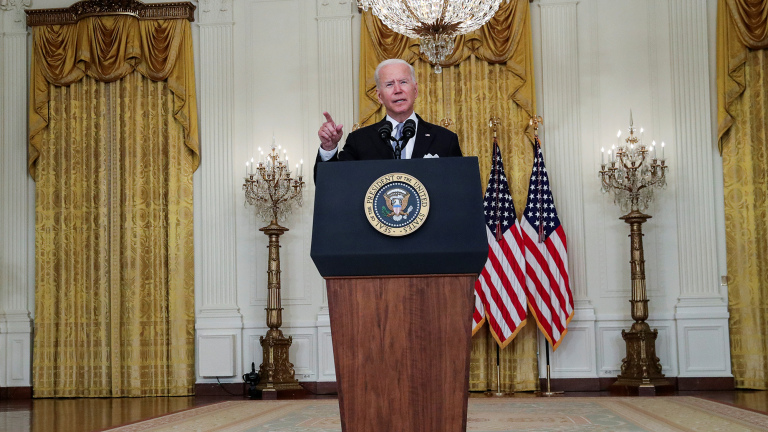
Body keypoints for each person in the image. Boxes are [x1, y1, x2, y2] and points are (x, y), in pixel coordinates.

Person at [315, 59, 462, 179]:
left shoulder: (445, 139)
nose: (398, 90)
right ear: (379, 96)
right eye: (390, 84)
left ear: (415, 90)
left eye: (403, 82)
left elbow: (459, 188)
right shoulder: (359, 140)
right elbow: (334, 185)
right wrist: (329, 148)